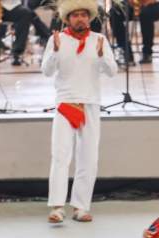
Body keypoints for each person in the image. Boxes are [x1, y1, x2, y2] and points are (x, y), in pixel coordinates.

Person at [41, 0, 117, 224]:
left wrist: (103, 55)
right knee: (60, 155)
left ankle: (81, 207)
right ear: (68, 19)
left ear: (90, 18)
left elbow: (112, 71)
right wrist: (54, 51)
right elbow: (46, 71)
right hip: (66, 103)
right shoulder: (57, 40)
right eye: (76, 15)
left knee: (89, 158)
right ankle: (56, 207)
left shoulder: (99, 40)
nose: (80, 19)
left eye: (84, 15)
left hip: (91, 103)